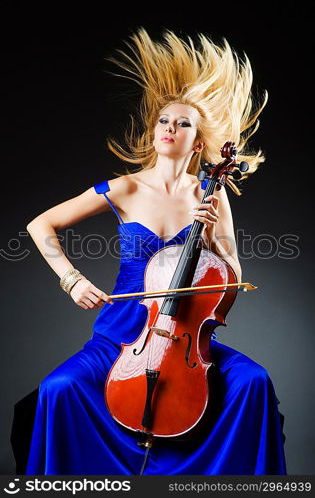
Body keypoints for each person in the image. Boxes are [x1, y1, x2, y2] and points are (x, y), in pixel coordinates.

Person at [23, 28, 286, 475]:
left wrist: (207, 243)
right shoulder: (124, 188)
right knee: (59, 387)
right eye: (164, 120)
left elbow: (232, 277)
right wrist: (72, 279)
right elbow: (39, 224)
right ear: (154, 130)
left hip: (186, 337)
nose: (170, 128)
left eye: (183, 123)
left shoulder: (211, 194)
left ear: (198, 142)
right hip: (120, 331)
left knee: (253, 382)